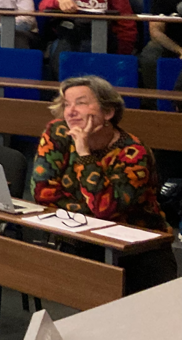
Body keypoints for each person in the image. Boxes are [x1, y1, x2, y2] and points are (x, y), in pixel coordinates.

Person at [30, 77, 177, 292]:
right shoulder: (57, 133)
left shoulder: (133, 153)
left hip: (138, 253)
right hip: (81, 239)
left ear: (108, 112)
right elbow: (42, 193)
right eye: (66, 104)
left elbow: (106, 208)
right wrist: (88, 214)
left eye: (80, 103)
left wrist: (84, 154)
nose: (70, 112)